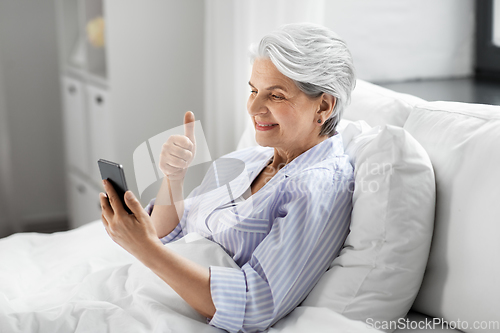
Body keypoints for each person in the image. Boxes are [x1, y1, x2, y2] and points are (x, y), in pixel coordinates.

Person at [99, 22, 356, 332]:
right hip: (138, 290)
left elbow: (252, 306)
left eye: (275, 96)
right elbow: (171, 236)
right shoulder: (248, 160)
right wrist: (174, 178)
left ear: (324, 106)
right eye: (253, 91)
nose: (254, 107)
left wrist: (145, 249)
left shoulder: (318, 188)